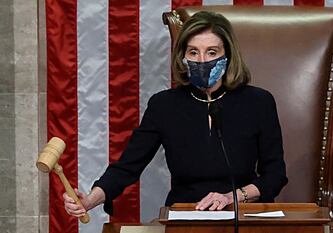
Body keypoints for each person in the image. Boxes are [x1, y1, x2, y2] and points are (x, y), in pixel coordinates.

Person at [63, 11, 288, 218]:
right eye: (193, 52)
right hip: (185, 214)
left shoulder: (258, 102)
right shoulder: (164, 105)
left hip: (243, 214)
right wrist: (90, 200)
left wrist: (231, 197)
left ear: (228, 55)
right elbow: (127, 167)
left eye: (212, 52)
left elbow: (275, 175)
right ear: (182, 57)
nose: (202, 61)